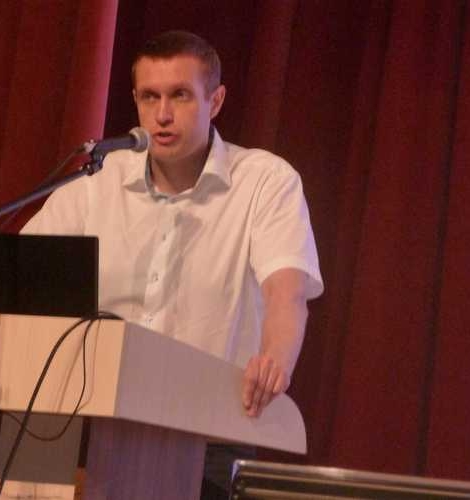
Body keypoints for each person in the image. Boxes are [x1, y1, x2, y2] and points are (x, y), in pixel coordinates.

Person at [22, 30, 323, 497]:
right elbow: (20, 276)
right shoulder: (96, 183)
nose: (162, 115)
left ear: (215, 101)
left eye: (180, 95)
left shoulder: (264, 182)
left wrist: (275, 360)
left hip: (206, 437)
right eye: (150, 97)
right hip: (82, 426)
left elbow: (287, 290)